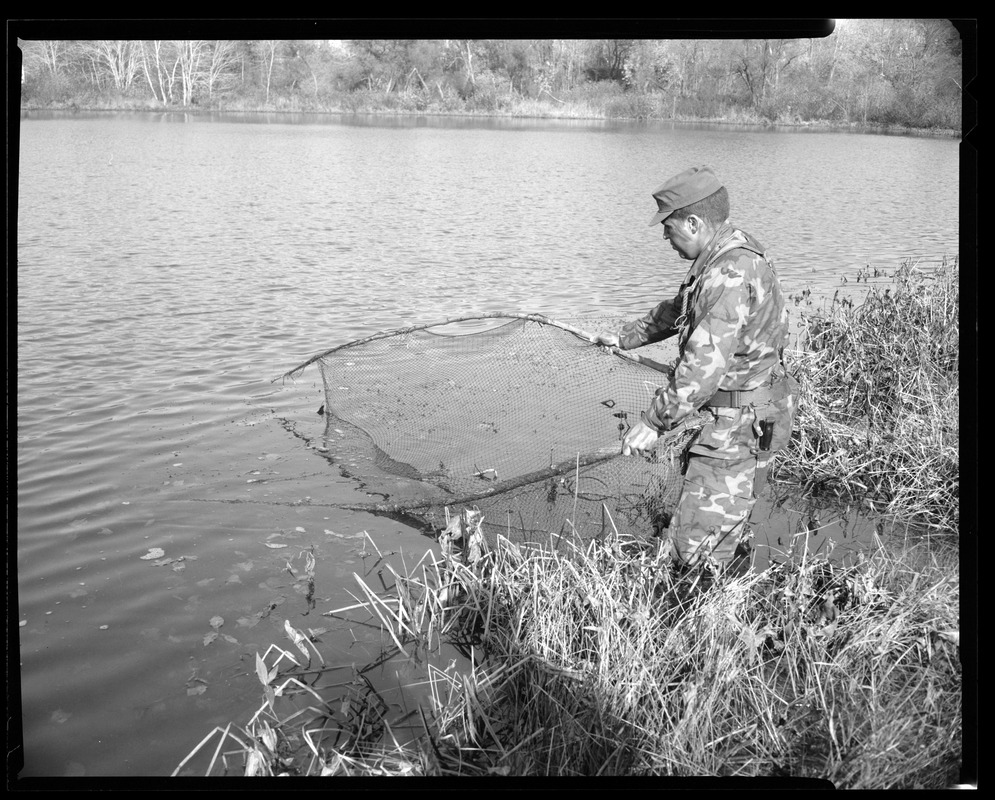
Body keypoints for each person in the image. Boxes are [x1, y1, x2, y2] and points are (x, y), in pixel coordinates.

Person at [594, 165, 797, 579]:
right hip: (744, 418)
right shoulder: (726, 252)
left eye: (668, 228)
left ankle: (697, 623)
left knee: (694, 554)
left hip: (737, 428)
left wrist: (653, 421)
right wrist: (623, 337)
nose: (665, 238)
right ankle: (718, 593)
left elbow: (702, 369)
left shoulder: (728, 272)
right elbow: (679, 310)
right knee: (718, 534)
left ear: (694, 222)